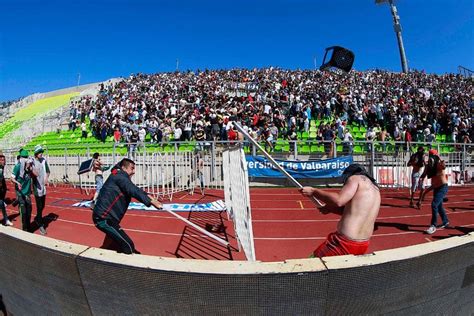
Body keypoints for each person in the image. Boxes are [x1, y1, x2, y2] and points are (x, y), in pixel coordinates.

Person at [299, 164, 381, 257]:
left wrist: (314, 191)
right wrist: (330, 208)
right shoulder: (375, 188)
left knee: (312, 264)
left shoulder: (355, 178)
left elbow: (339, 200)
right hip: (363, 244)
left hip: (344, 243)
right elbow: (356, 212)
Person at [92, 158, 163, 254]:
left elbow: (135, 189)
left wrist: (151, 199)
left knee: (110, 245)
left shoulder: (118, 175)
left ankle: (101, 260)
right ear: (123, 168)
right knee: (128, 245)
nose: (133, 172)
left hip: (110, 218)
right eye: (132, 168)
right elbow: (133, 189)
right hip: (104, 218)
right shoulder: (119, 176)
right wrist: (151, 202)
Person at [418, 149, 449, 234]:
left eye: (432, 156)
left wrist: (439, 159)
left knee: (434, 204)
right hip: (436, 187)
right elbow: (427, 178)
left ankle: (433, 225)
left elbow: (443, 166)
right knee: (439, 206)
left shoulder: (439, 164)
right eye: (429, 156)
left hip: (443, 187)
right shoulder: (430, 167)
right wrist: (424, 192)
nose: (430, 158)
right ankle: (445, 221)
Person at [11, 149, 38, 232]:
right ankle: (24, 228)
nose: (26, 159)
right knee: (23, 211)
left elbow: (36, 174)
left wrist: (30, 168)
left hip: (27, 193)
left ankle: (29, 226)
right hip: (20, 192)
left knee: (29, 210)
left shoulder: (30, 166)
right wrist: (17, 183)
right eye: (24, 157)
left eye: (27, 157)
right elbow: (12, 178)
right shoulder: (18, 166)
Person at [32, 145, 50, 235]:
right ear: (36, 153)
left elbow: (48, 171)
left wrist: (46, 178)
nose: (41, 154)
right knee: (39, 207)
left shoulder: (43, 161)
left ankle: (37, 218)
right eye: (39, 152)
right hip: (36, 187)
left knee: (42, 206)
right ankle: (40, 224)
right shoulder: (32, 161)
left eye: (42, 152)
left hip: (43, 187)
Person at [0, 152, 13, 226]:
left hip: (2, 187)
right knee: (1, 203)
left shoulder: (2, 166)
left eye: (4, 160)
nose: (3, 161)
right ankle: (6, 219)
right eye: (1, 160)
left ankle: (6, 219)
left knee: (1, 203)